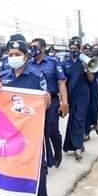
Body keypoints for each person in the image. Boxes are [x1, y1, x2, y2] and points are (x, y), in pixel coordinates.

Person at [0, 34, 49, 196]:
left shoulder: (35, 76)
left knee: (27, 170)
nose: (13, 57)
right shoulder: (2, 77)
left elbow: (43, 103)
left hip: (29, 133)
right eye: (10, 53)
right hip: (8, 133)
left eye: (17, 53)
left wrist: (47, 100)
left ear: (25, 56)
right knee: (9, 170)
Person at [28, 38, 68, 168]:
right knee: (40, 130)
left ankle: (57, 150)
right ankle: (47, 159)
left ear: (43, 48)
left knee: (51, 128)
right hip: (36, 101)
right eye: (31, 47)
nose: (32, 49)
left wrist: (64, 102)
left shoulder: (53, 63)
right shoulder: (29, 64)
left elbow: (61, 83)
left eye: (35, 47)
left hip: (52, 100)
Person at [62, 38, 93, 161]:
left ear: (79, 50)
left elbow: (90, 79)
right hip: (70, 95)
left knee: (79, 119)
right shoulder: (65, 63)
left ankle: (78, 148)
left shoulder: (85, 61)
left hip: (83, 95)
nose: (73, 51)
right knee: (73, 119)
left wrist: (87, 69)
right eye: (71, 49)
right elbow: (62, 81)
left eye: (76, 49)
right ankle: (75, 143)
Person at [84, 44, 98, 141]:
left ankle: (95, 123)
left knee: (94, 108)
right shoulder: (81, 60)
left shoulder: (94, 60)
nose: (86, 52)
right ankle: (86, 132)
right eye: (84, 50)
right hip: (84, 87)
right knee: (86, 110)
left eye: (88, 50)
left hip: (94, 86)